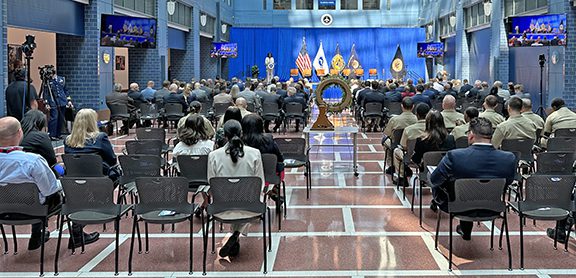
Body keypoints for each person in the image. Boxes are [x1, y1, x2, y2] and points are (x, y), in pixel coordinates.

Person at [0, 116, 99, 250]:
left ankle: (37, 236)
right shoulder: (33, 161)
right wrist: (62, 182)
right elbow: (50, 190)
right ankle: (76, 235)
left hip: (3, 211)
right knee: (73, 189)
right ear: (19, 133)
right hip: (35, 209)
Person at [430, 117, 516, 240]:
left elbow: (434, 180)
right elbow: (508, 181)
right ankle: (465, 228)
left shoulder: (455, 156)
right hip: (492, 207)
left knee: (440, 180)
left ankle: (464, 227)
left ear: (470, 135)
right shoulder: (509, 158)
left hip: (458, 206)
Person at [207, 120, 265, 258]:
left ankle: (235, 236)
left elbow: (211, 183)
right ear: (242, 133)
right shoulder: (255, 153)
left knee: (235, 200)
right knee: (252, 200)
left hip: (222, 203)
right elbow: (260, 182)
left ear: (224, 136)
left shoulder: (213, 155)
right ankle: (236, 234)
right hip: (248, 202)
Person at [64, 109, 120, 182]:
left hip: (75, 179)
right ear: (92, 122)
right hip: (100, 180)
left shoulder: (68, 140)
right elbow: (112, 160)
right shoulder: (100, 137)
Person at [241, 114, 284, 202]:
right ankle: (273, 191)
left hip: (245, 175)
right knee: (279, 167)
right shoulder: (269, 139)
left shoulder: (240, 142)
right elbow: (279, 158)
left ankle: (270, 192)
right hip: (269, 175)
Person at [382, 97, 418, 175]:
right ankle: (404, 166)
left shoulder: (394, 119)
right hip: (413, 146)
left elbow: (387, 134)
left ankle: (392, 165)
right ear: (413, 106)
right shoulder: (417, 119)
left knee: (385, 141)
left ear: (402, 106)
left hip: (397, 144)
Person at [43, 73, 69, 140]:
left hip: (62, 101)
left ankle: (58, 134)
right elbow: (46, 92)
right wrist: (46, 103)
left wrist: (69, 100)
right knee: (54, 117)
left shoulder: (62, 79)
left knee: (61, 118)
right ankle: (52, 134)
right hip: (53, 101)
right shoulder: (48, 81)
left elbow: (65, 90)